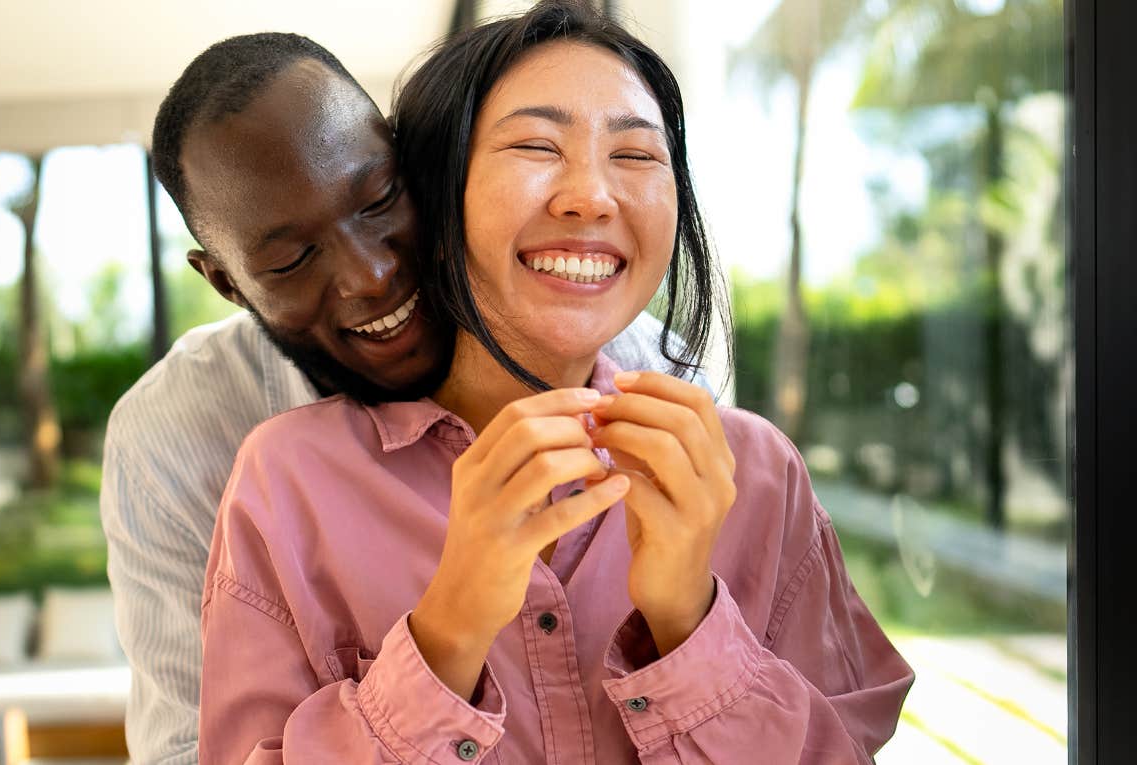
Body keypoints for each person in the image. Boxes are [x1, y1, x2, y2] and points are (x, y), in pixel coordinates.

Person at [197, 2, 914, 763]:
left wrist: (688, 617)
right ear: (436, 199)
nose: (593, 196)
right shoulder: (288, 484)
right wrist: (449, 630)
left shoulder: (758, 476)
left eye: (637, 156)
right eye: (538, 145)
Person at [101, 31, 711, 765]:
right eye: (293, 259)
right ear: (227, 283)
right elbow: (185, 749)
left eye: (380, 199)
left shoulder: (632, 361)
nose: (372, 274)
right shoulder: (175, 438)